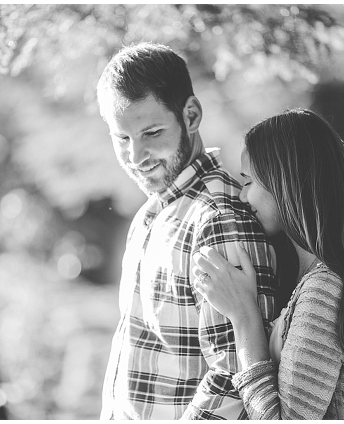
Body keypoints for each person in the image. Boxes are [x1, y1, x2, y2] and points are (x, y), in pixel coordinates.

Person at [96, 42, 280, 420]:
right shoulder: (149, 214)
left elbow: (235, 376)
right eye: (122, 138)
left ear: (191, 115)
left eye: (151, 132)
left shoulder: (218, 219)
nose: (136, 157)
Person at [193, 108, 344, 419]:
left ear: (283, 183)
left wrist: (243, 314)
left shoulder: (325, 291)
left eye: (249, 181)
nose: (242, 195)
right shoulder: (313, 280)